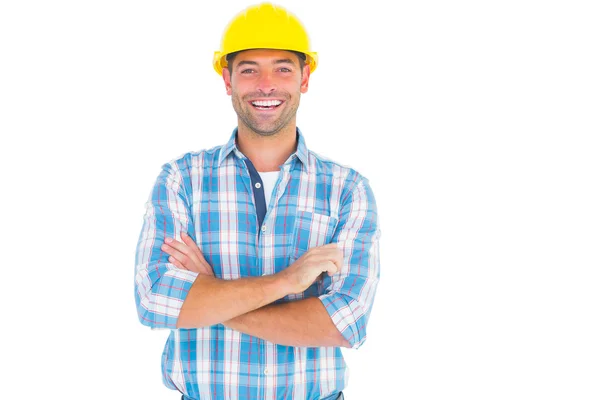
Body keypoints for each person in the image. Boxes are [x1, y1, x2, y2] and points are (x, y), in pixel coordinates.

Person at [134, 3, 381, 399]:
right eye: (249, 69)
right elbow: (156, 300)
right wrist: (286, 282)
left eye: (283, 68)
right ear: (227, 79)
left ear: (305, 77)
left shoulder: (346, 189)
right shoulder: (182, 179)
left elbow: (343, 324)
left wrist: (210, 294)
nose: (266, 84)